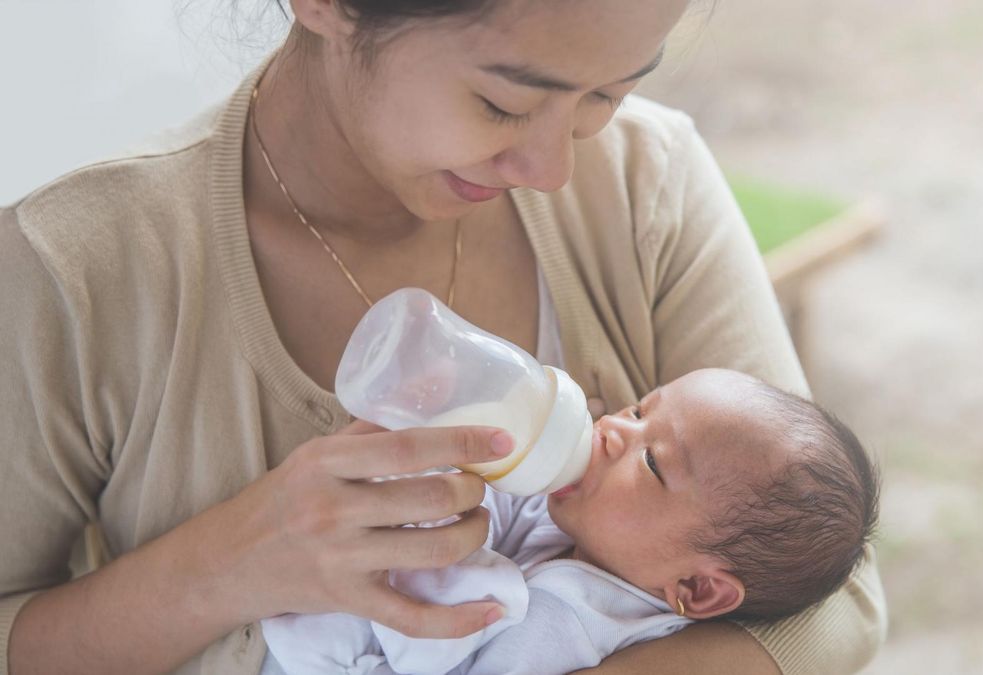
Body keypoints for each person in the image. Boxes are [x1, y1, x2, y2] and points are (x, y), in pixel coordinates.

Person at [0, 1, 886, 673]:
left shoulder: (647, 181)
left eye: (607, 94)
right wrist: (224, 566)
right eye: (504, 104)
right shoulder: (72, 269)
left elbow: (829, 604)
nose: (552, 169)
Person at [260, 368, 881, 675]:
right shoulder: (592, 533)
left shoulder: (573, 624)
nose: (612, 428)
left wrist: (461, 567)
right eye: (641, 407)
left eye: (653, 462)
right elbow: (496, 501)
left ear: (696, 589)